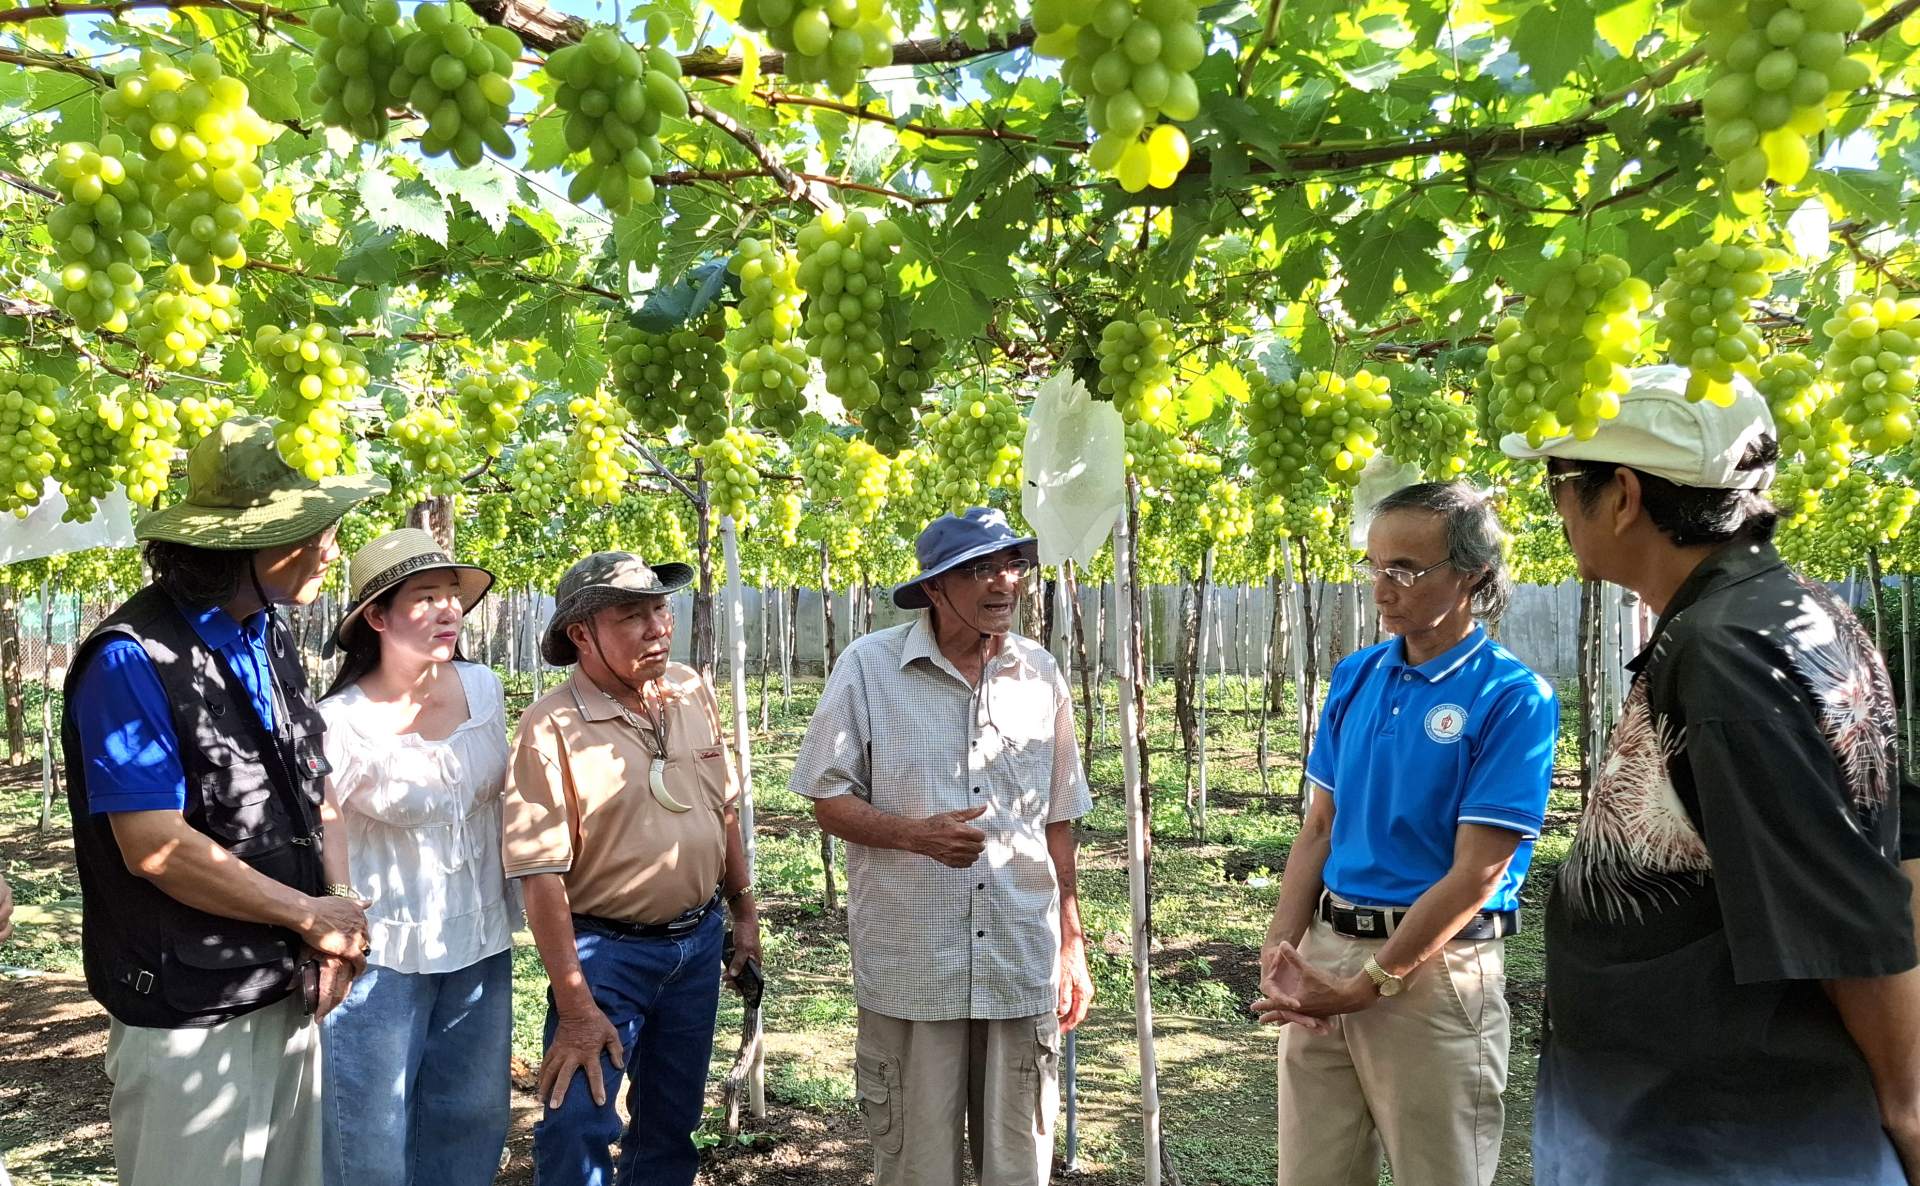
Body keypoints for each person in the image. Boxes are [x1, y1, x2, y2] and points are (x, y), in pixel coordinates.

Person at [1504, 365, 1920, 1184]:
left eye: (1559, 484)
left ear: (1621, 494)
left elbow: (1847, 915)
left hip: (1712, 1132)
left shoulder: (1724, 657)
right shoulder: (1795, 610)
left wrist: (1907, 1104)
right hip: (1684, 1114)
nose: (1554, 509)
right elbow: (1895, 837)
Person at [62, 417, 386, 1186]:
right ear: (252, 543)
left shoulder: (267, 634)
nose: (332, 548)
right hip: (189, 1009)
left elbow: (313, 781)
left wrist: (333, 913)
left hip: (279, 982)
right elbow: (154, 847)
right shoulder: (131, 658)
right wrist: (308, 916)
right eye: (317, 529)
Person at [1250, 482, 1559, 1186]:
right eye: (1374, 565)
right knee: (1313, 1172)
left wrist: (1374, 981)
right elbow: (1321, 826)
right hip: (1327, 952)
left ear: (1474, 576)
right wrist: (1283, 943)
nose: (1383, 588)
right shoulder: (1357, 677)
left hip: (1433, 971)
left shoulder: (1511, 697)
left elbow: (1477, 874)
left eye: (1406, 570)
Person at [789, 506, 1095, 1186]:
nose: (1004, 584)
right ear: (934, 588)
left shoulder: (1040, 673)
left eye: (1011, 566)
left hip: (1019, 959)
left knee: (1019, 1166)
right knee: (916, 1168)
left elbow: (1058, 818)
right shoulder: (868, 668)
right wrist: (914, 835)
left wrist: (1072, 943)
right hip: (914, 965)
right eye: (981, 570)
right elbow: (826, 799)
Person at [502, 550, 759, 1186]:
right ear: (581, 634)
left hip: (696, 947)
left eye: (660, 610)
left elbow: (722, 809)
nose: (657, 629)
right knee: (578, 1125)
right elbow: (540, 876)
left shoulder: (689, 689)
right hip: (605, 957)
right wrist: (576, 1004)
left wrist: (744, 916)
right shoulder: (550, 728)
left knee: (670, 1124)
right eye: (632, 617)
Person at [315, 528, 517, 1186]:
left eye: (452, 597)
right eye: (424, 598)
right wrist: (340, 923)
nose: (447, 610)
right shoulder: (339, 720)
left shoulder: (484, 691)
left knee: (471, 1124)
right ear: (376, 617)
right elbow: (328, 822)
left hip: (480, 944)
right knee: (368, 1138)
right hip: (383, 955)